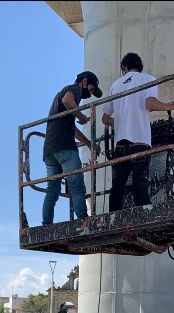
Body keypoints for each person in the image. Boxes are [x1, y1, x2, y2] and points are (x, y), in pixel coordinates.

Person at [101, 52, 174, 211]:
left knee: (118, 185)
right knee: (140, 181)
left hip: (120, 145)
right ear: (139, 67)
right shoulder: (148, 78)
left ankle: (111, 219)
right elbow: (150, 103)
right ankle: (144, 214)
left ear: (124, 68)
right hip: (139, 142)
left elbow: (105, 119)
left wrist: (120, 122)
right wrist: (173, 105)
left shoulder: (115, 85)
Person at [42, 71, 103, 225]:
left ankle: (46, 224)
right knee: (76, 184)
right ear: (83, 81)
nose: (88, 94)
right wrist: (81, 116)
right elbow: (68, 100)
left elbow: (72, 129)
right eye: (90, 89)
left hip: (50, 149)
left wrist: (89, 144)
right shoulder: (74, 89)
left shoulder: (58, 97)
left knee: (53, 190)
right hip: (65, 147)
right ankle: (82, 219)